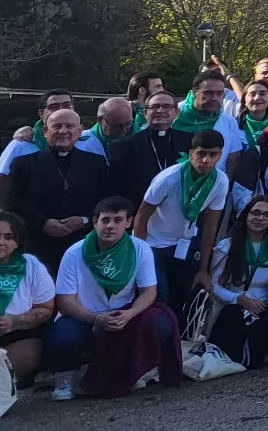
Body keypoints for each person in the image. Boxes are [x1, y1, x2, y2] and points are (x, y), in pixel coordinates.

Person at [47, 196, 181, 400]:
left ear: (128, 222)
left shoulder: (140, 248)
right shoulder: (74, 253)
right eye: (105, 220)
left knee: (161, 323)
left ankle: (135, 370)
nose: (110, 226)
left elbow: (149, 292)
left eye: (117, 220)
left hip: (122, 312)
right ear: (95, 222)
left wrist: (129, 314)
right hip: (84, 315)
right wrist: (95, 319)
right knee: (63, 336)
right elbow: (65, 303)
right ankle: (65, 378)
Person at [133, 128, 227, 315]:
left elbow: (210, 225)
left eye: (212, 155)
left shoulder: (220, 181)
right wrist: (141, 255)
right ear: (191, 153)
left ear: (220, 155)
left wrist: (203, 269)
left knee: (183, 296)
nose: (206, 160)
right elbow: (141, 216)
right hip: (154, 244)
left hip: (185, 242)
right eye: (201, 154)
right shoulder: (169, 178)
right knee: (159, 298)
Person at [13, 107, 109, 269]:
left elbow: (105, 199)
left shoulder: (96, 163)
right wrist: (43, 223)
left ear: (80, 131)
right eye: (57, 126)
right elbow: (14, 202)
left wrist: (84, 220)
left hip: (83, 242)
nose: (63, 131)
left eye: (70, 126)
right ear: (45, 131)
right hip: (38, 245)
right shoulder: (24, 164)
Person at [206, 193, 268, 369]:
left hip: (264, 306)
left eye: (267, 215)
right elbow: (212, 285)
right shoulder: (226, 247)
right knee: (236, 317)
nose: (260, 218)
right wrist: (239, 299)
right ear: (246, 215)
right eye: (255, 213)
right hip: (231, 304)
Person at [0, 210, 57, 391]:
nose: (1, 242)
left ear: (18, 241)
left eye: (9, 237)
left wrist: (15, 321)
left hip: (18, 334)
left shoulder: (31, 265)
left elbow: (46, 309)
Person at [108, 92, 190, 207]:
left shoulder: (190, 142)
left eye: (167, 106)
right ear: (145, 113)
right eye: (155, 107)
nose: (160, 111)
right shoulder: (123, 146)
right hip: (138, 208)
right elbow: (119, 188)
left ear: (176, 113)